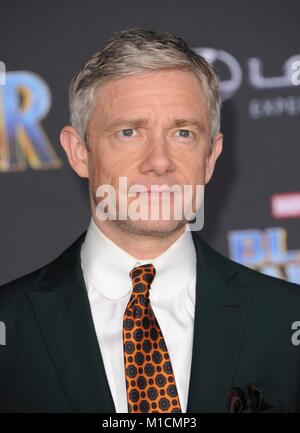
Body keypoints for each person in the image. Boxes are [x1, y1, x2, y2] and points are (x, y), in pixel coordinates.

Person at [0, 27, 300, 413]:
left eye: (183, 133)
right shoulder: (10, 325)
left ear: (211, 156)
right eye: (128, 132)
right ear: (79, 152)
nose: (159, 162)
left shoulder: (286, 321)